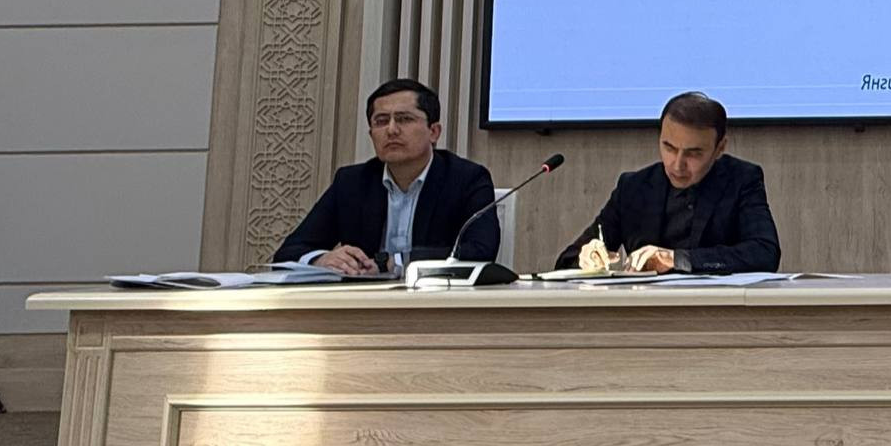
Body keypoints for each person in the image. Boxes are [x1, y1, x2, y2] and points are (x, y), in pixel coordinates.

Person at [275, 78, 499, 274]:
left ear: (433, 132)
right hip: (364, 303)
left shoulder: (466, 179)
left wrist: (396, 262)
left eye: (404, 119)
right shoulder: (351, 183)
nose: (391, 130)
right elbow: (288, 252)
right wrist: (321, 259)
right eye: (381, 121)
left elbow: (480, 251)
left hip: (435, 301)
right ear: (371, 134)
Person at [553, 92, 778, 274]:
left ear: (720, 148)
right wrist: (586, 259)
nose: (677, 165)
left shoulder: (741, 179)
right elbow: (566, 261)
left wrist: (677, 259)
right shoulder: (633, 187)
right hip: (644, 311)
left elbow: (764, 253)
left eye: (693, 153)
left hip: (716, 310)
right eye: (669, 148)